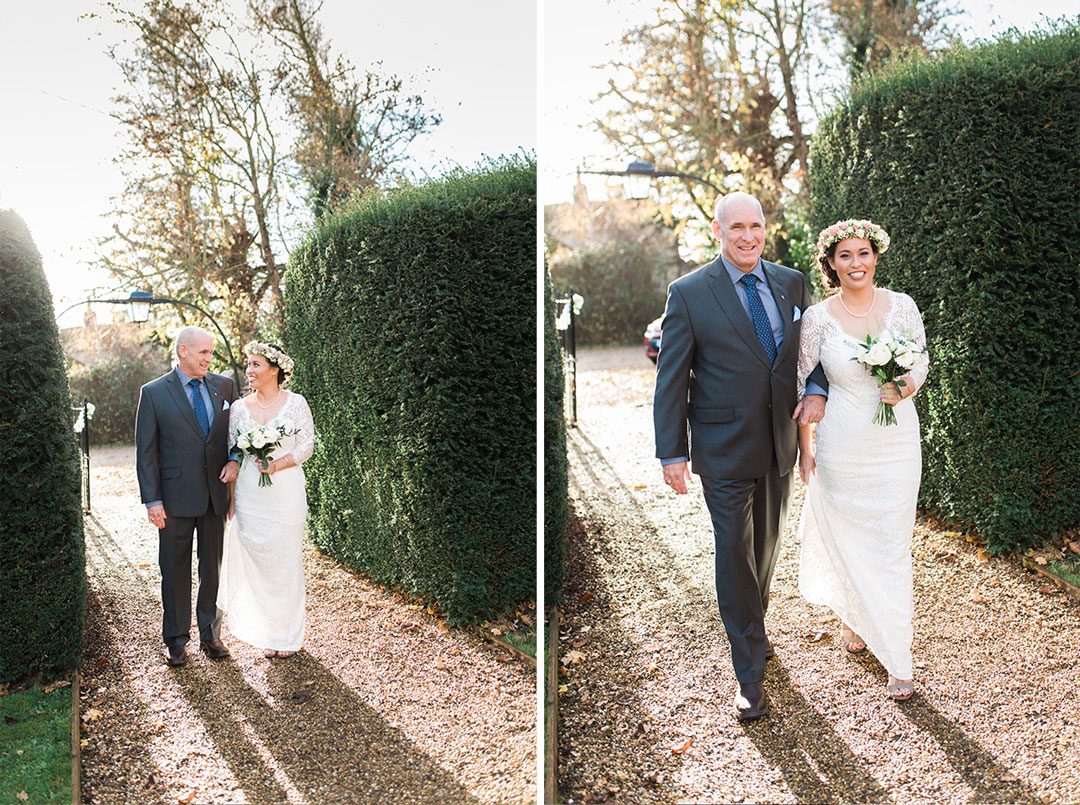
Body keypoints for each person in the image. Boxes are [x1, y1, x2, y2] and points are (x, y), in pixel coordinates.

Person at [654, 192, 828, 720]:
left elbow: (811, 352)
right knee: (734, 553)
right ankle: (748, 672)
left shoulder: (791, 281)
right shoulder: (687, 294)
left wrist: (817, 388)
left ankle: (754, 624)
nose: (748, 236)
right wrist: (671, 452)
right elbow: (672, 378)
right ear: (717, 231)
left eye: (756, 225)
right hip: (723, 448)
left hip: (778, 442)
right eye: (737, 228)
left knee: (766, 550)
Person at [795, 219, 929, 700]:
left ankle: (897, 657)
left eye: (864, 253)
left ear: (876, 256)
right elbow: (801, 383)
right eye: (845, 255)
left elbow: (921, 360)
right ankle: (854, 618)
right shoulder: (817, 318)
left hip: (895, 445)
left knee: (891, 547)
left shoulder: (902, 307)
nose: (856, 263)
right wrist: (805, 450)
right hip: (842, 444)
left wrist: (905, 385)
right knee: (849, 538)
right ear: (831, 263)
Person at [135, 326, 239, 667]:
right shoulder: (153, 393)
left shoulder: (224, 386)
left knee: (212, 568)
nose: (209, 359)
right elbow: (146, 452)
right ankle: (176, 638)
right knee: (174, 569)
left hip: (214, 496)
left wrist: (235, 461)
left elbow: (236, 436)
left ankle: (210, 634)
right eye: (202, 353)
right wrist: (153, 501)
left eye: (211, 352)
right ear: (182, 351)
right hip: (174, 499)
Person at [216, 342, 314, 658]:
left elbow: (306, 446)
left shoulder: (296, 403)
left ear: (275, 369)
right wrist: (231, 500)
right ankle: (266, 631)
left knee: (285, 563)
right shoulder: (239, 408)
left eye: (256, 364)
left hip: (285, 493)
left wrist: (277, 464)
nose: (249, 370)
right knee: (257, 563)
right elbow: (234, 452)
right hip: (250, 496)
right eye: (248, 364)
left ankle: (287, 636)